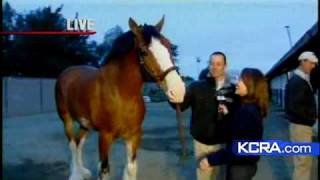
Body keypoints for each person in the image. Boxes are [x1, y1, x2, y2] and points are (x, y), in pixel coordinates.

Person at [169, 51, 236, 180]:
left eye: (218, 64)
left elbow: (239, 117)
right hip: (201, 143)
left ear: (225, 66)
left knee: (221, 177)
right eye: (211, 63)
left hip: (223, 144)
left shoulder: (232, 90)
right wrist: (173, 97)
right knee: (204, 176)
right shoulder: (196, 87)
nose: (214, 67)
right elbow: (181, 106)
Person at [199, 68, 269, 180]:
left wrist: (211, 160)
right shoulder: (250, 108)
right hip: (246, 165)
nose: (237, 82)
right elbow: (239, 131)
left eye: (241, 80)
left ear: (250, 86)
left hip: (240, 168)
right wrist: (228, 115)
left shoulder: (246, 112)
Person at [285, 51, 318, 180]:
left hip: (300, 126)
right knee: (303, 163)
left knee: (301, 162)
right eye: (312, 63)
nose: (313, 66)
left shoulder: (298, 79)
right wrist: (312, 115)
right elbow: (295, 107)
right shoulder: (298, 81)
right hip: (301, 127)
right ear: (303, 62)